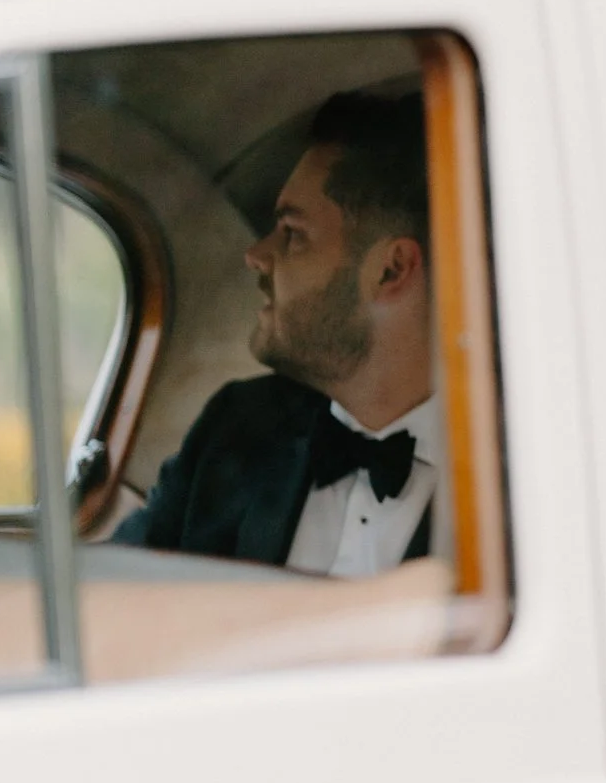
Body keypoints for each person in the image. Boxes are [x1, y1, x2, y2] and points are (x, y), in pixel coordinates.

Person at [114, 91, 440, 577]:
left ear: (391, 271)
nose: (256, 256)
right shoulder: (236, 429)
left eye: (292, 233)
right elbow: (120, 596)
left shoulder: (533, 476)